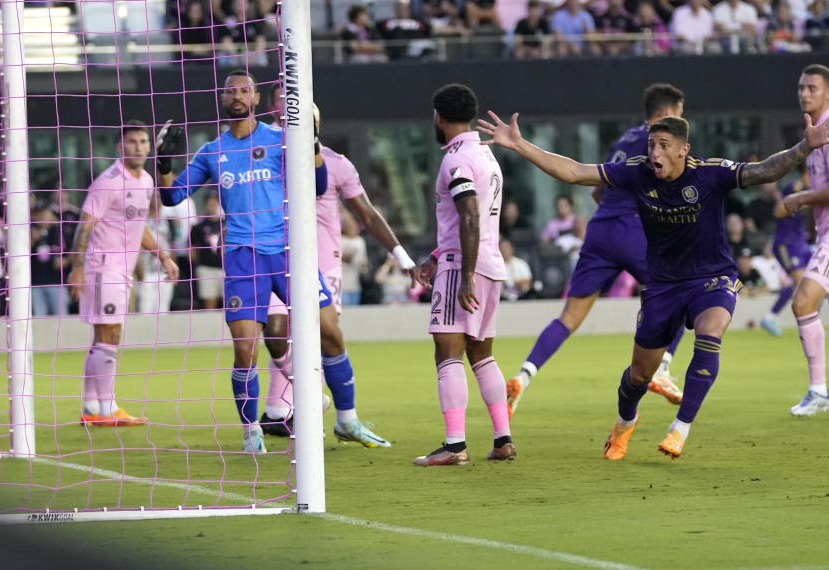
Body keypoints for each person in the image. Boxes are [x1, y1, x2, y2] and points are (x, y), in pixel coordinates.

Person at [478, 102, 829, 460]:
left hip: (713, 277)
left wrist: (805, 147)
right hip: (663, 286)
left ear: (683, 149)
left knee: (710, 334)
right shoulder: (638, 172)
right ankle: (625, 422)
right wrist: (520, 145)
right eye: (651, 145)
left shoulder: (710, 173)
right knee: (637, 377)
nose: (654, 152)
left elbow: (764, 171)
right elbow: (574, 173)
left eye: (663, 145)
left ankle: (680, 428)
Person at [157, 70, 390, 452]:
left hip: (288, 253)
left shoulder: (281, 140)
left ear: (256, 99)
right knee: (245, 348)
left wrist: (313, 144)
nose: (236, 96)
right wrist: (164, 163)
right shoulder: (212, 152)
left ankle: (347, 421)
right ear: (221, 99)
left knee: (329, 330)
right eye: (229, 91)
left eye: (243, 90)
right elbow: (172, 197)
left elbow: (316, 187)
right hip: (242, 258)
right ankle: (252, 432)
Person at [503, 84, 688, 421]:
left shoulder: (622, 141)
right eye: (680, 113)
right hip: (633, 228)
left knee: (570, 316)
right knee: (682, 291)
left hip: (599, 229)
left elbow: (597, 193)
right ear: (667, 113)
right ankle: (661, 369)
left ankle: (522, 376)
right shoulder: (660, 144)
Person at [260, 89, 416, 437]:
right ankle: (307, 397)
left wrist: (401, 255)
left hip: (323, 263)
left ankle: (310, 413)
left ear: (316, 124)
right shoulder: (265, 160)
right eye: (284, 116)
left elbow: (368, 215)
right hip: (275, 258)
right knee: (275, 330)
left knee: (321, 336)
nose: (290, 122)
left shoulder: (337, 163)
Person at [412, 83, 514, 466]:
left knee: (447, 350)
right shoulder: (486, 156)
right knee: (481, 352)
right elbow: (473, 218)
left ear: (438, 117)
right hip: (488, 263)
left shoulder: (455, 159)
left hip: (465, 266)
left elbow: (469, 214)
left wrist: (462, 273)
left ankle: (454, 445)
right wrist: (437, 256)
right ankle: (503, 439)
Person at [67, 120, 180, 428]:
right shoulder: (108, 181)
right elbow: (85, 224)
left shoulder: (145, 180)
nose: (138, 147)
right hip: (103, 267)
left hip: (121, 270)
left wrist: (163, 256)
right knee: (111, 334)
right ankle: (107, 408)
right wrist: (77, 268)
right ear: (121, 147)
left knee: (102, 336)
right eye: (132, 142)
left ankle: (92, 405)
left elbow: (138, 225)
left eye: (143, 142)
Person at [779, 64, 829, 416]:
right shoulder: (813, 132)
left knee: (802, 303)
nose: (804, 93)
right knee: (805, 305)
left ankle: (818, 390)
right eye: (801, 88)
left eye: (812, 87)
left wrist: (801, 199)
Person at [760, 172, 811, 337]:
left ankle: (770, 318)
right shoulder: (794, 188)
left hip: (801, 242)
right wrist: (798, 203)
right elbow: (778, 211)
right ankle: (808, 324)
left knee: (815, 280)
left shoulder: (813, 188)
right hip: (787, 243)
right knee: (802, 283)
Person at [188, 192, 225, 310]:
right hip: (206, 269)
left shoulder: (226, 224)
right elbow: (191, 250)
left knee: (230, 302)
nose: (212, 205)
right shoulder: (198, 226)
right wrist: (196, 267)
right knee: (209, 303)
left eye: (214, 202)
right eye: (209, 202)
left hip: (226, 269)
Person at [29, 206, 67, 316]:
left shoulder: (58, 231)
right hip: (36, 284)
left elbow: (68, 254)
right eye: (39, 215)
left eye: (45, 214)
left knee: (61, 318)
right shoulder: (30, 232)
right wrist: (33, 240)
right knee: (39, 319)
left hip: (56, 283)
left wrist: (63, 262)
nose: (43, 218)